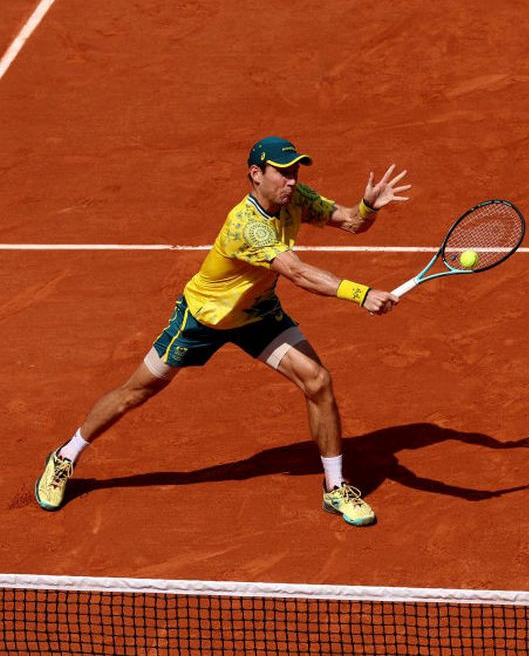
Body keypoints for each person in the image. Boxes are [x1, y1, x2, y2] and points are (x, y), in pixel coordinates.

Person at [34, 136, 411, 525]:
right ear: (255, 174)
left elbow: (350, 222)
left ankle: (335, 488)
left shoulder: (294, 198)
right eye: (283, 173)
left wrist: (367, 207)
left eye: (295, 172)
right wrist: (360, 293)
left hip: (258, 314)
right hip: (204, 319)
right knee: (136, 391)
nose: (292, 181)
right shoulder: (247, 226)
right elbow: (297, 272)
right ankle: (65, 455)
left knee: (317, 380)